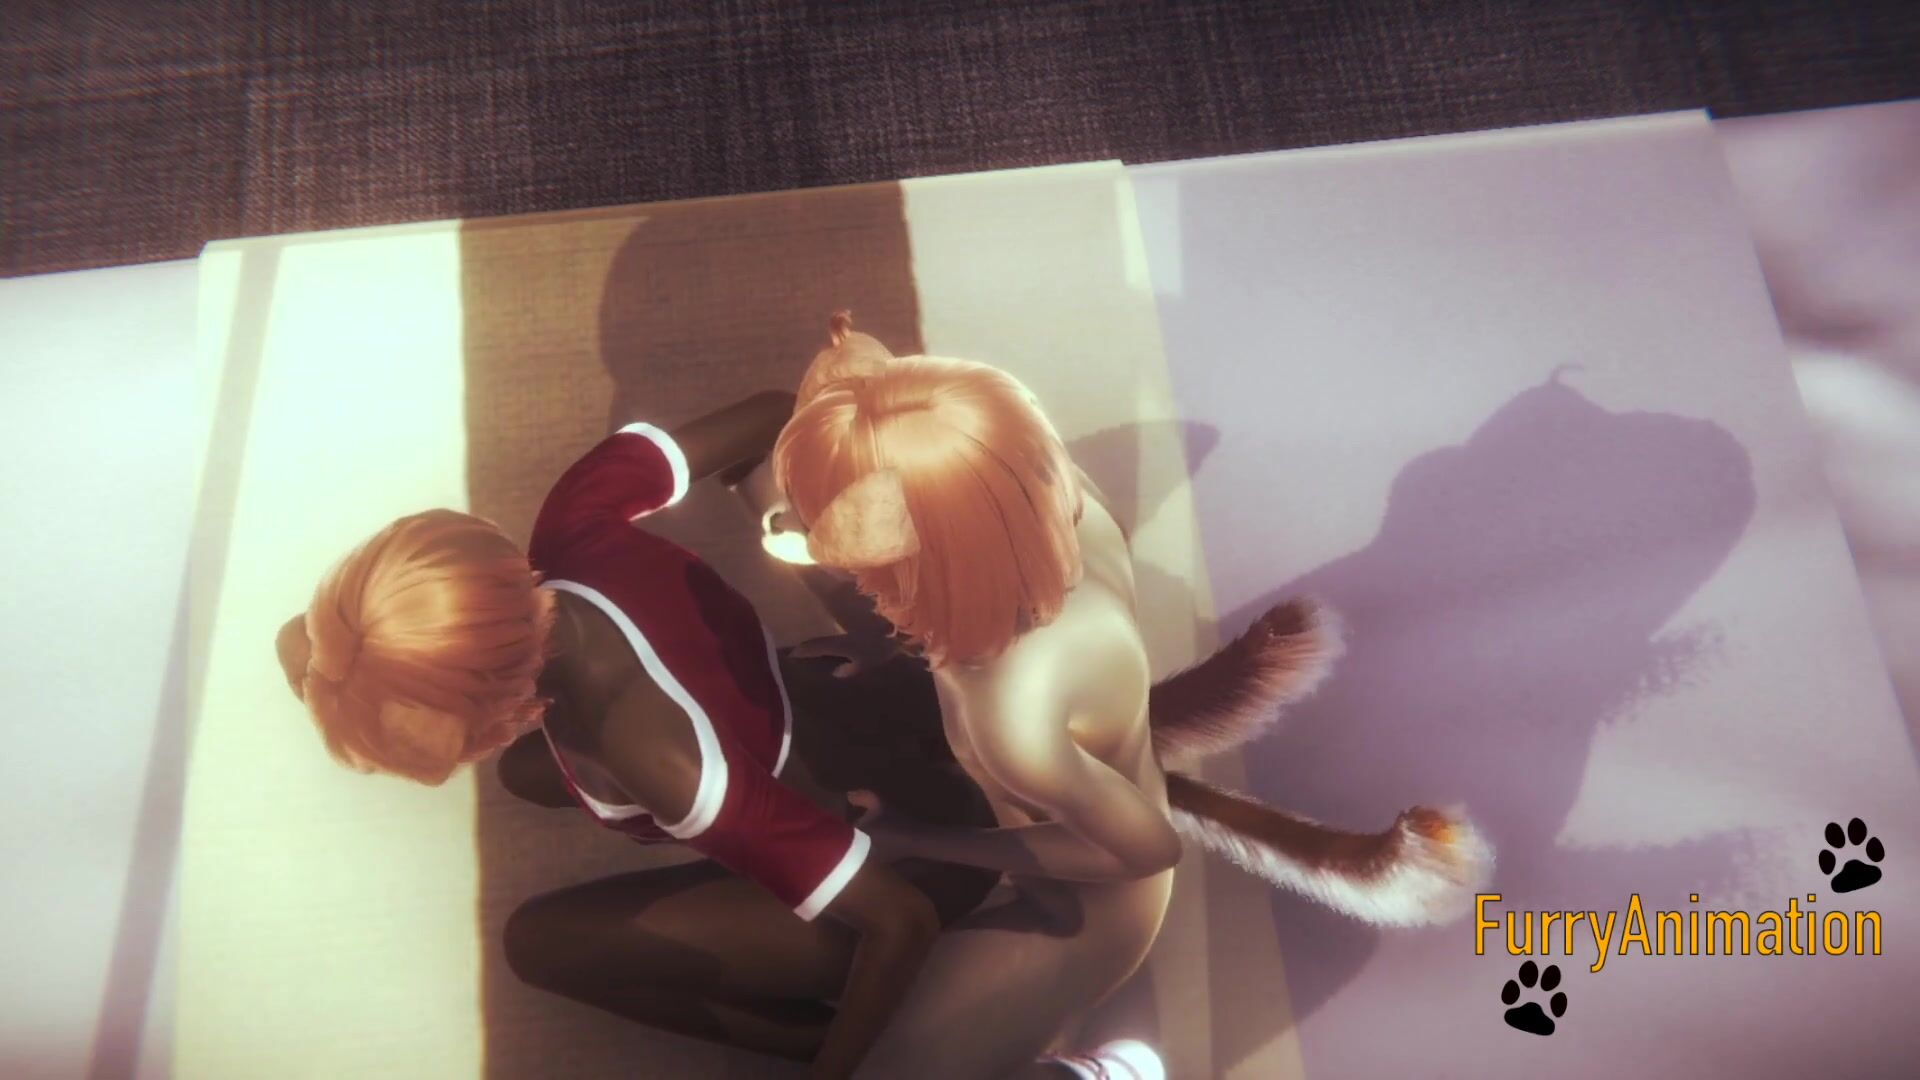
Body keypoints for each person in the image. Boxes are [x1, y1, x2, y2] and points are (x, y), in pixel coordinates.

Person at [763, 324, 1493, 1078]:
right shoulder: (1056, 498)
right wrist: (893, 639)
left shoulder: (1010, 710)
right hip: (1047, 774)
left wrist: (918, 838)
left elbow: (1145, 848)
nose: (797, 533)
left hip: (1071, 913)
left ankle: (1094, 1072)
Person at [273, 391, 997, 1079]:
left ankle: (830, 1044)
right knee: (524, 773)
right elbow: (777, 415)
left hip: (913, 855)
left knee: (538, 945)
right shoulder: (571, 520)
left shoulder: (661, 764)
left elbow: (900, 922)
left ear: (500, 700)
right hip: (836, 698)